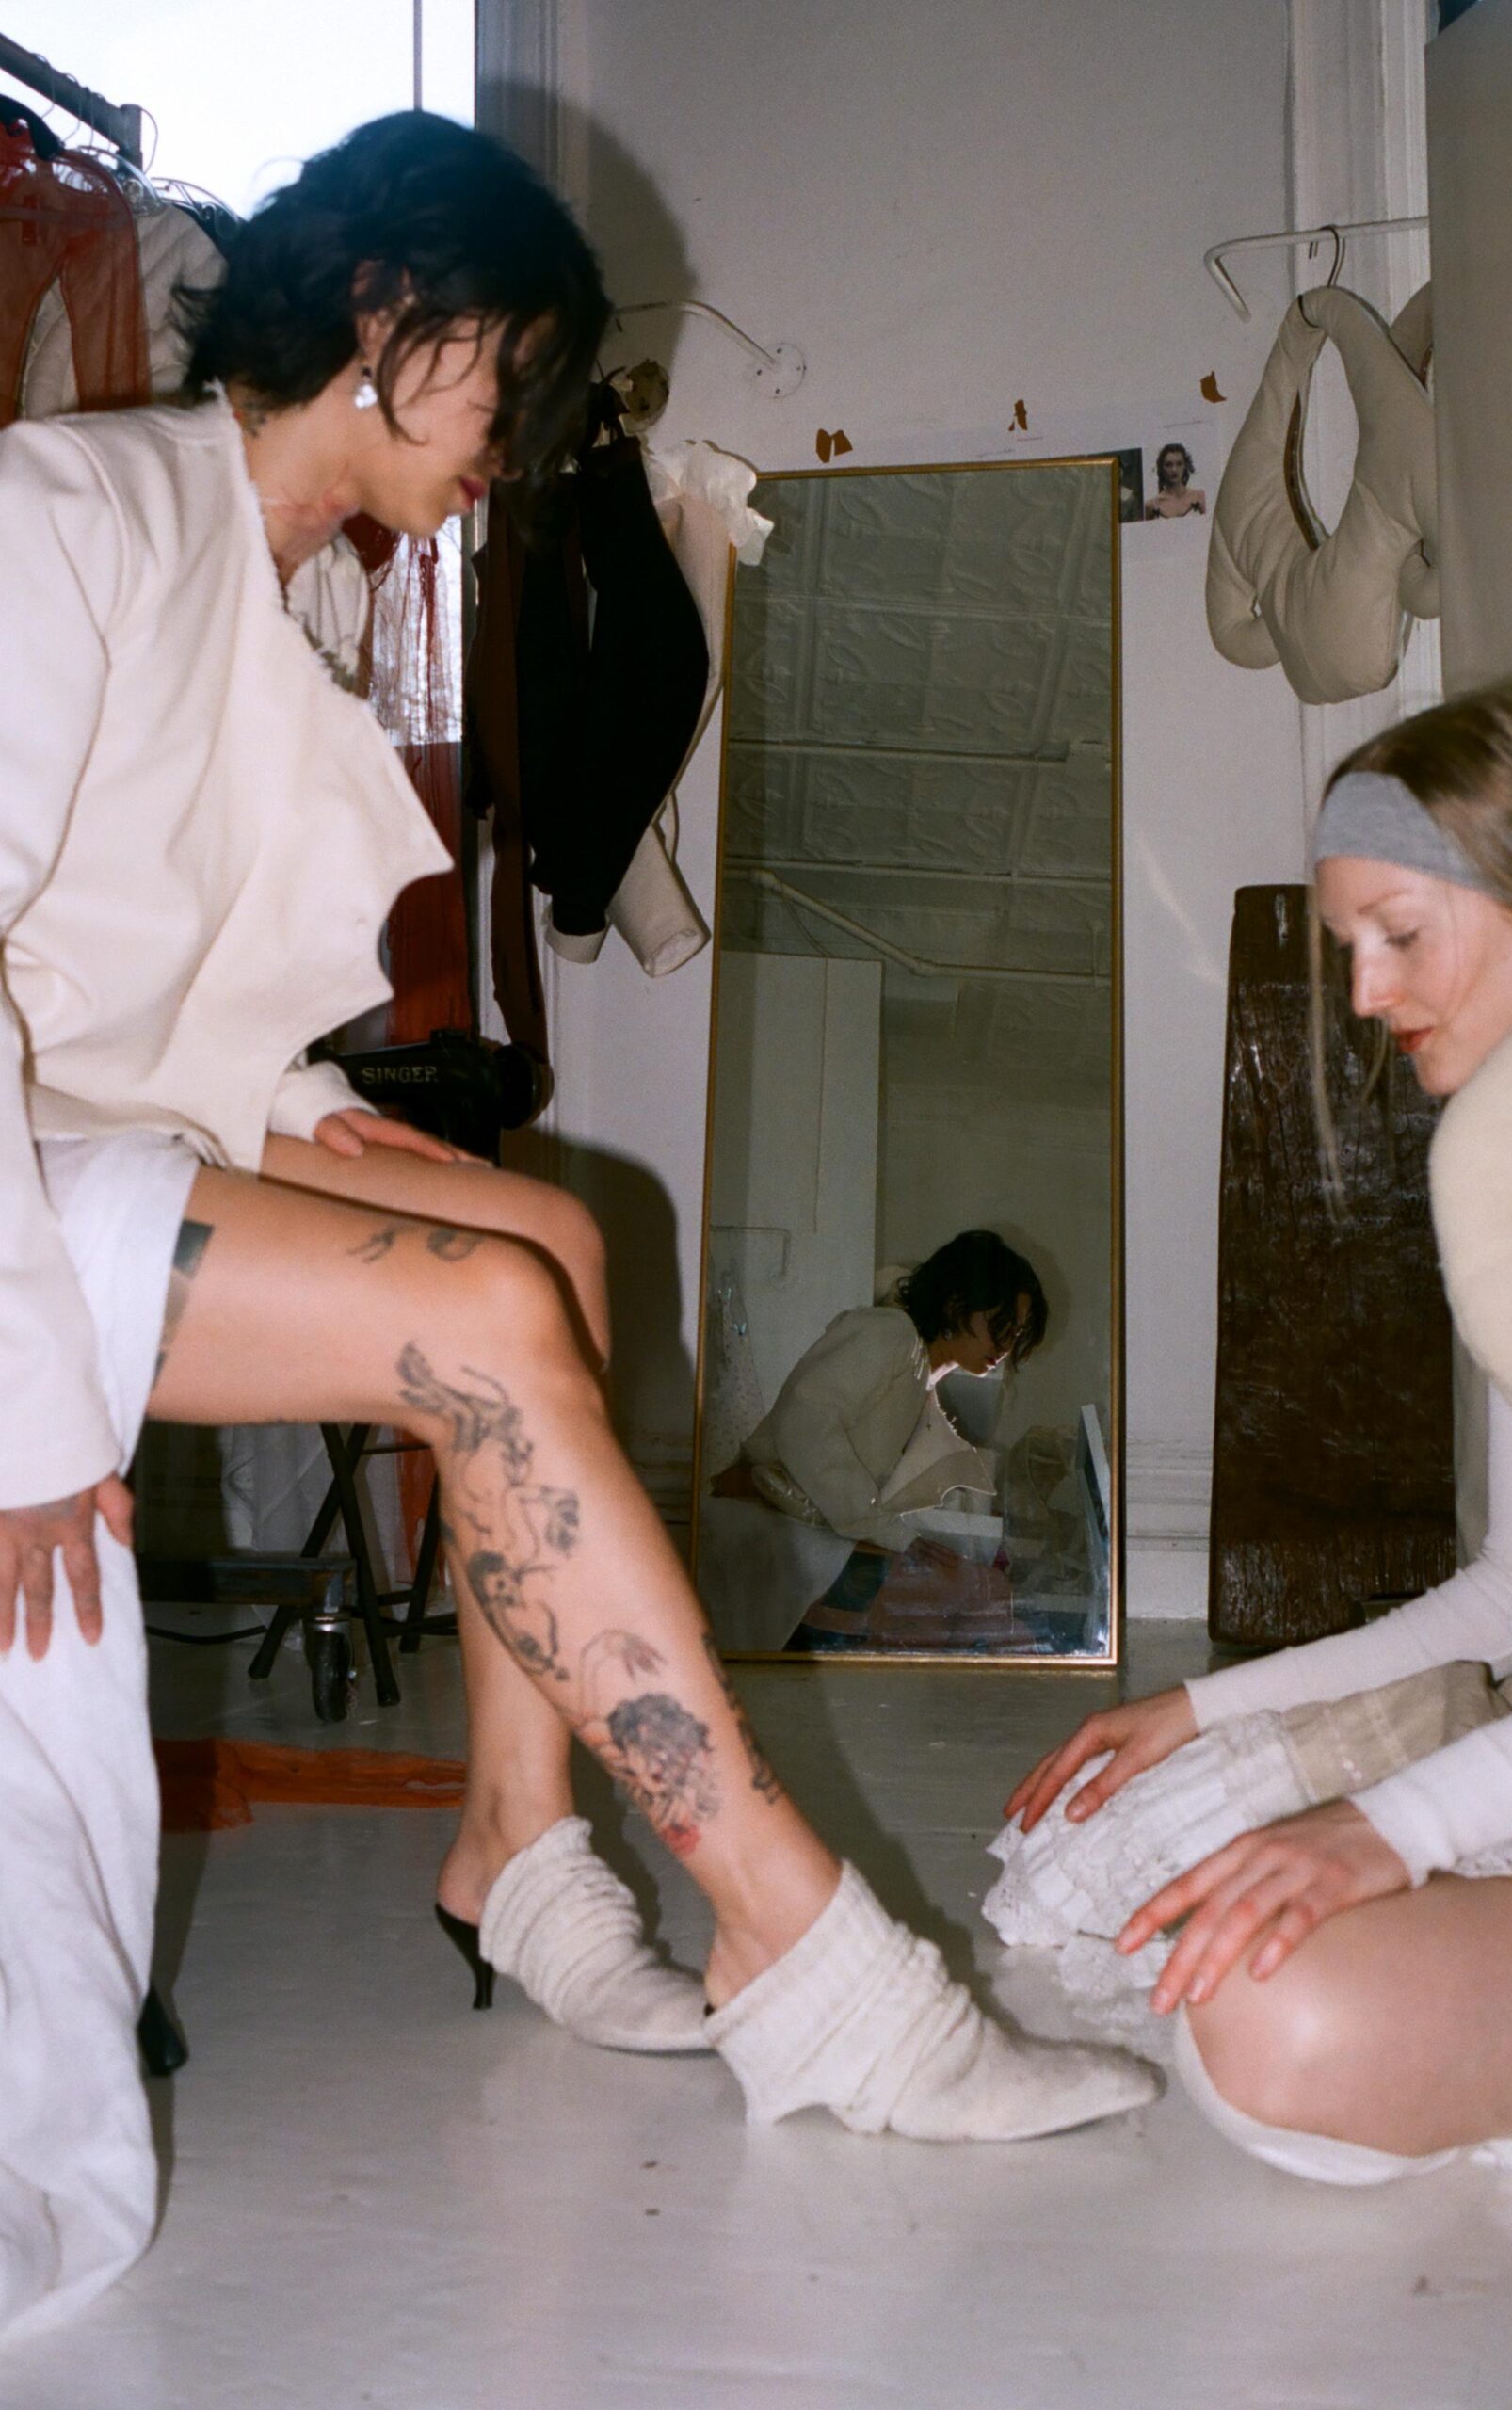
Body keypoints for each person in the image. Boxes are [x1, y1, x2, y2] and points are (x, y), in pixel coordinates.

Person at [0, 114, 1153, 2337]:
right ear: (392, 325)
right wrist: (30, 1397)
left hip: (88, 1128)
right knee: (491, 1330)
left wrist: (323, 1114)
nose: (526, 449)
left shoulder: (278, 583)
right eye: (512, 382)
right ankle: (817, 1959)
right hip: (19, 1183)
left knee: (552, 1246)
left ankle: (516, 1852)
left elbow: (160, 968)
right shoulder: (71, 512)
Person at [993, 688, 1512, 2217]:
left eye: (1397, 934)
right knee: (1114, 1864)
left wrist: (1385, 1834)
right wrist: (1196, 1708)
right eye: (1351, 945)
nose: (1361, 994)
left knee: (1282, 2018)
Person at [716, 1229, 1047, 1550]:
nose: (1005, 1346)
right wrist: (890, 1534)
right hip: (749, 1521)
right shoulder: (891, 1333)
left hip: (783, 1534)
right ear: (955, 1305)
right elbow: (805, 1422)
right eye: (998, 1325)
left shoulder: (923, 1380)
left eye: (1015, 1333)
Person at [1144, 441, 1205, 519]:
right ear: (1161, 468)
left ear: (1185, 466)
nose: (1174, 470)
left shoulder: (1199, 497)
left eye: (1179, 464)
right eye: (1168, 465)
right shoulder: (1151, 505)